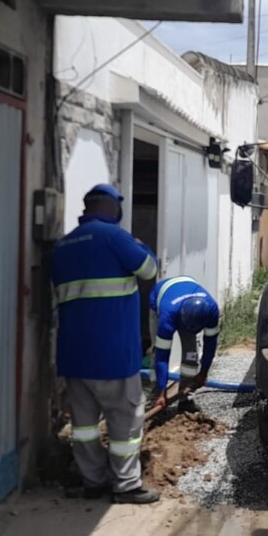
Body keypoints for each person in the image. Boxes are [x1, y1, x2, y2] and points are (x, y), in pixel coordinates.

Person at [52, 183, 160, 504]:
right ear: (114, 209)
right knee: (125, 422)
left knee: (83, 425)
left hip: (74, 358)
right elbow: (149, 269)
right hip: (113, 356)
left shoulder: (62, 246)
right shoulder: (116, 238)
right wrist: (141, 245)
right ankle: (126, 485)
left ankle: (93, 482)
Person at [148, 276, 221, 410]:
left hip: (184, 300)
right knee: (156, 353)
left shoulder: (211, 310)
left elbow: (210, 344)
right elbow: (162, 358)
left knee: (191, 354)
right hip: (161, 297)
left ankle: (185, 398)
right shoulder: (167, 318)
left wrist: (204, 372)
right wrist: (163, 391)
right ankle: (156, 398)